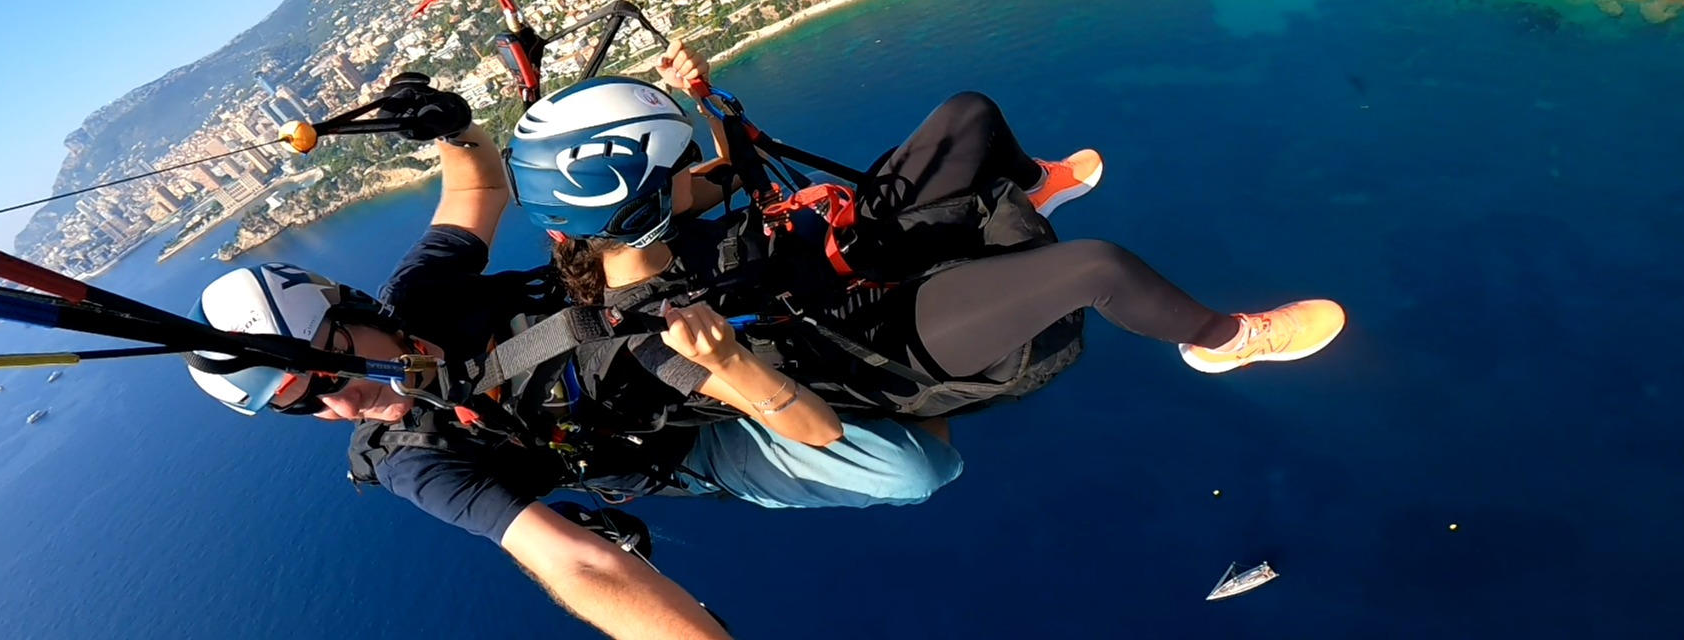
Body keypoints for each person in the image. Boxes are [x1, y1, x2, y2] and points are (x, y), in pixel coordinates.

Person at [185, 83, 961, 640]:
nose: (346, 405)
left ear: (353, 312)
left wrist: (451, 126)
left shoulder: (421, 295)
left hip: (653, 308)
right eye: (308, 406)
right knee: (915, 468)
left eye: (334, 371)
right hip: (676, 437)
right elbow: (579, 566)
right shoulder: (417, 458)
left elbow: (477, 186)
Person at [503, 40, 1346, 426]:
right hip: (870, 338)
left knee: (968, 114)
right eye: (675, 169)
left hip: (833, 256)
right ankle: (1222, 339)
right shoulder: (656, 344)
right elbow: (807, 427)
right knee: (1097, 267)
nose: (693, 176)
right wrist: (727, 364)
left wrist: (704, 95)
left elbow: (733, 171)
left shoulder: (632, 224)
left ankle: (1029, 187)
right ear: (634, 207)